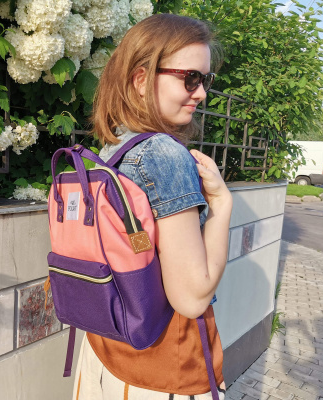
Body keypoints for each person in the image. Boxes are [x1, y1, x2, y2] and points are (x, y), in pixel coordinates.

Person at [73, 13, 233, 400]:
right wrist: (222, 205)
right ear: (141, 79)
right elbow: (192, 298)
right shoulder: (163, 154)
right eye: (190, 78)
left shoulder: (114, 147)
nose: (201, 93)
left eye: (206, 79)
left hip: (104, 352)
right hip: (162, 370)